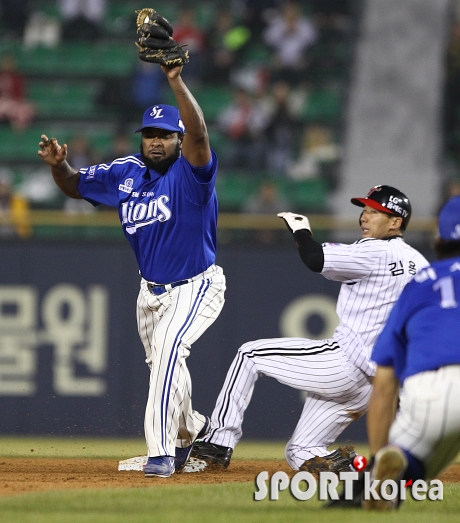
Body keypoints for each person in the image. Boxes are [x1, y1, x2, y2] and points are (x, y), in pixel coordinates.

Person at [38, 62, 226, 479]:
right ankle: (190, 433)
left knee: (167, 357)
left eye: (165, 135)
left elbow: (200, 135)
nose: (156, 142)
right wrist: (57, 165)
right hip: (151, 290)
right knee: (163, 361)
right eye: (150, 135)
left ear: (179, 140)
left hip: (196, 283)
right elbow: (74, 184)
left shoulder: (192, 173)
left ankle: (158, 456)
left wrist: (175, 80)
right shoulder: (125, 173)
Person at [191, 185, 428, 473]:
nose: (364, 217)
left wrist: (300, 231)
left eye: (374, 212)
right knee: (301, 451)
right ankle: (363, 469)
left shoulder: (374, 251)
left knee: (249, 355)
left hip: (344, 363)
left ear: (396, 222)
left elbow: (315, 258)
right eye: (364, 210)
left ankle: (217, 443)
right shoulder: (420, 263)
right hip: (372, 385)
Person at [362, 195, 460, 510]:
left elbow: (384, 383)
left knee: (407, 464)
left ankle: (392, 469)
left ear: (439, 239)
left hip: (434, 390)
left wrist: (377, 458)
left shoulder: (419, 284)